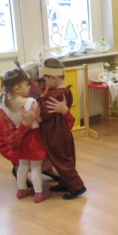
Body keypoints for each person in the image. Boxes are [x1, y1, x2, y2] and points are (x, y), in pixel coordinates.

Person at [0, 61, 67, 184]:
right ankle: (20, 169)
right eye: (38, 81)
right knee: (50, 153)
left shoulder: (44, 98)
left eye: (44, 80)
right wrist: (25, 124)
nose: (43, 84)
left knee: (61, 144)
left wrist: (65, 111)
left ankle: (45, 168)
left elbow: (65, 126)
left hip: (33, 141)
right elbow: (10, 142)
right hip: (17, 145)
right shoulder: (11, 105)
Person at [0, 64, 51, 203]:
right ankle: (38, 193)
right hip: (33, 137)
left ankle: (22, 190)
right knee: (36, 167)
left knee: (23, 165)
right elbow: (39, 119)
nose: (29, 87)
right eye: (27, 84)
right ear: (18, 88)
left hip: (21, 140)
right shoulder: (30, 101)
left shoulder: (3, 102)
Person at [39, 57, 87, 200]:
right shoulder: (66, 91)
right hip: (63, 132)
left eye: (45, 79)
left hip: (55, 135)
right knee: (66, 159)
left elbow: (43, 115)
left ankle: (77, 186)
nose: (44, 83)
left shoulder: (52, 96)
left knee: (62, 161)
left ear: (53, 78)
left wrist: (40, 98)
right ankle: (65, 183)